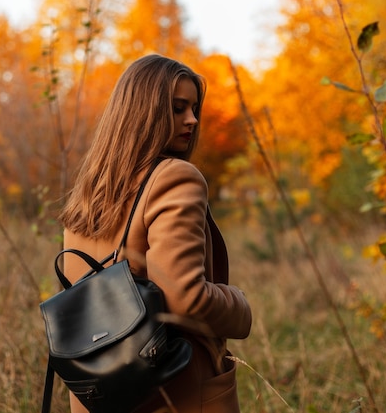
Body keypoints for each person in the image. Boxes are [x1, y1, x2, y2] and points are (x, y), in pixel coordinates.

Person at [58, 54, 252, 413]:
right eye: (178, 108)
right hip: (174, 388)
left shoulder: (89, 190)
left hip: (100, 390)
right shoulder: (176, 177)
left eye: (194, 108)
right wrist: (240, 305)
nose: (192, 119)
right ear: (143, 112)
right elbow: (186, 298)